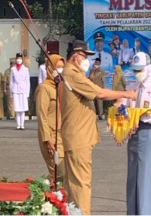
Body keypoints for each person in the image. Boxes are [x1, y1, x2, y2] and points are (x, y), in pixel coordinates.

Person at [60, 40, 136, 215]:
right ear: (76, 56)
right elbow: (100, 93)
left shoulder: (70, 74)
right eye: (85, 56)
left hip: (76, 136)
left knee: (73, 185)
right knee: (81, 184)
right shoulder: (73, 74)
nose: (87, 60)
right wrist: (126, 93)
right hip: (79, 137)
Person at [120, 52, 151, 215]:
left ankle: (146, 212)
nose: (137, 73)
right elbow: (123, 109)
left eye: (140, 70)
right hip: (133, 134)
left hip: (148, 132)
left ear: (148, 68)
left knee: (146, 176)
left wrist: (142, 115)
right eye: (135, 70)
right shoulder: (132, 88)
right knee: (133, 177)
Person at [35, 54, 66, 182]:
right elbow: (41, 115)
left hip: (62, 136)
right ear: (49, 68)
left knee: (63, 175)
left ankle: (56, 200)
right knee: (59, 173)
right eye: (57, 67)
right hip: (51, 136)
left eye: (62, 67)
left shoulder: (61, 87)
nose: (60, 70)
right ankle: (37, 191)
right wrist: (47, 139)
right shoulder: (44, 88)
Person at [10, 53, 30, 130]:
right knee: (17, 108)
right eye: (18, 58)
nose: (19, 60)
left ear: (22, 59)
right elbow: (11, 81)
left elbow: (27, 81)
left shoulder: (25, 69)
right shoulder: (13, 69)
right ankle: (18, 125)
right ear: (16, 59)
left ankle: (22, 124)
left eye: (20, 58)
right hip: (15, 89)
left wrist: (27, 92)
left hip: (23, 90)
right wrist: (11, 92)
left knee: (23, 108)